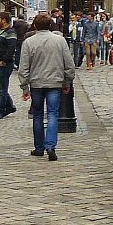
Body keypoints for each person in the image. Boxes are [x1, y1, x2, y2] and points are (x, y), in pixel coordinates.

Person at [18, 13, 76, 161]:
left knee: (37, 115)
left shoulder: (29, 42)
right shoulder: (60, 41)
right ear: (50, 25)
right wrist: (67, 81)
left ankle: (39, 148)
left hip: (36, 83)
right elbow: (69, 64)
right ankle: (50, 145)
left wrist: (25, 87)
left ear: (35, 26)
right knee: (52, 114)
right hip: (54, 82)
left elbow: (23, 67)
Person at [0, 12, 19, 119]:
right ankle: (10, 106)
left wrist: (5, 60)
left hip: (4, 64)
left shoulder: (11, 32)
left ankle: (0, 110)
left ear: (4, 20)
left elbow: (11, 48)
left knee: (2, 88)